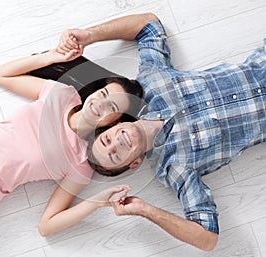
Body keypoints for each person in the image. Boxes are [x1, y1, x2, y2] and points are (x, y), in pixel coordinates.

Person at [57, 13, 266, 251]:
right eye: (115, 155)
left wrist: (90, 35)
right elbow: (207, 238)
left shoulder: (151, 83)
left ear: (113, 126)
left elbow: (149, 25)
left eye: (106, 139)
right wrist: (145, 210)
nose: (116, 144)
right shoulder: (175, 166)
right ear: (134, 163)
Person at [0, 42, 144, 237]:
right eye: (103, 94)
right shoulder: (62, 94)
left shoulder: (80, 162)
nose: (100, 104)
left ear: (115, 122)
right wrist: (50, 57)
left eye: (112, 107)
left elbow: (47, 226)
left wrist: (99, 201)